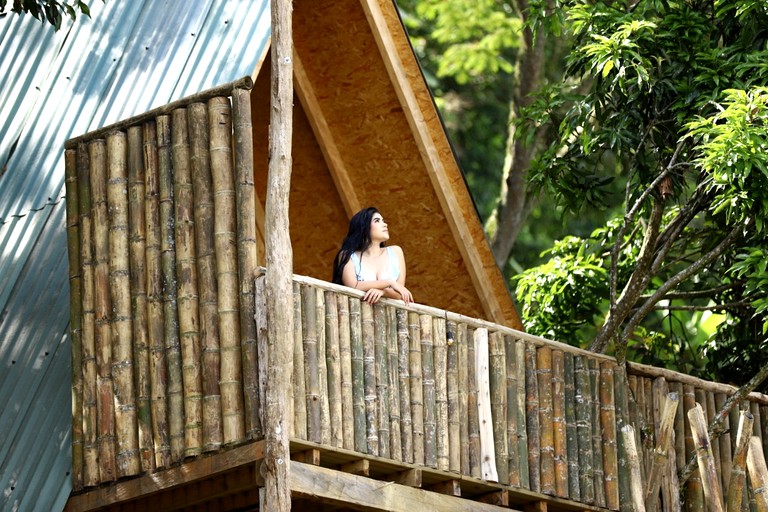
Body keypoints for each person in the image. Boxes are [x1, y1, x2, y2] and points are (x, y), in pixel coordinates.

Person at [332, 207, 413, 305]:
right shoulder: (347, 255)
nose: (385, 224)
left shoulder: (396, 251)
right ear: (363, 227)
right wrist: (389, 282)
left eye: (383, 221)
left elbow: (400, 292)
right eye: (377, 221)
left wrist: (383, 292)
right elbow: (353, 285)